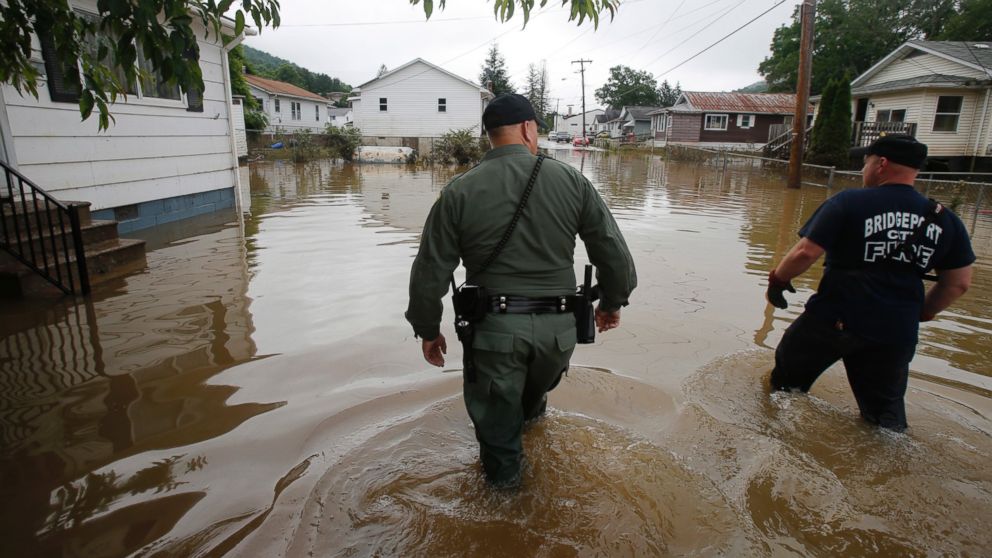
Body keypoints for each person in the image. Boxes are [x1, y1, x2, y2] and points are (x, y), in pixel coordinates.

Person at [405, 93, 637, 488]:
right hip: (560, 335)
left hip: (495, 336)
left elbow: (430, 272)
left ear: (489, 136)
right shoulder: (571, 181)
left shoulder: (459, 192)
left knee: (499, 446)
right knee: (532, 408)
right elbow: (614, 256)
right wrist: (612, 302)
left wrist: (428, 329)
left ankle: (507, 515)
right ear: (529, 128)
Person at [766, 134, 974, 431]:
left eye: (866, 162)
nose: (864, 169)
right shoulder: (945, 219)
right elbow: (959, 283)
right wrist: (922, 313)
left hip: (834, 319)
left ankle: (772, 436)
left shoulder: (849, 201)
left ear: (881, 164)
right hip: (896, 332)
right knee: (884, 421)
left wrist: (778, 280)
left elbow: (805, 252)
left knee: (784, 390)